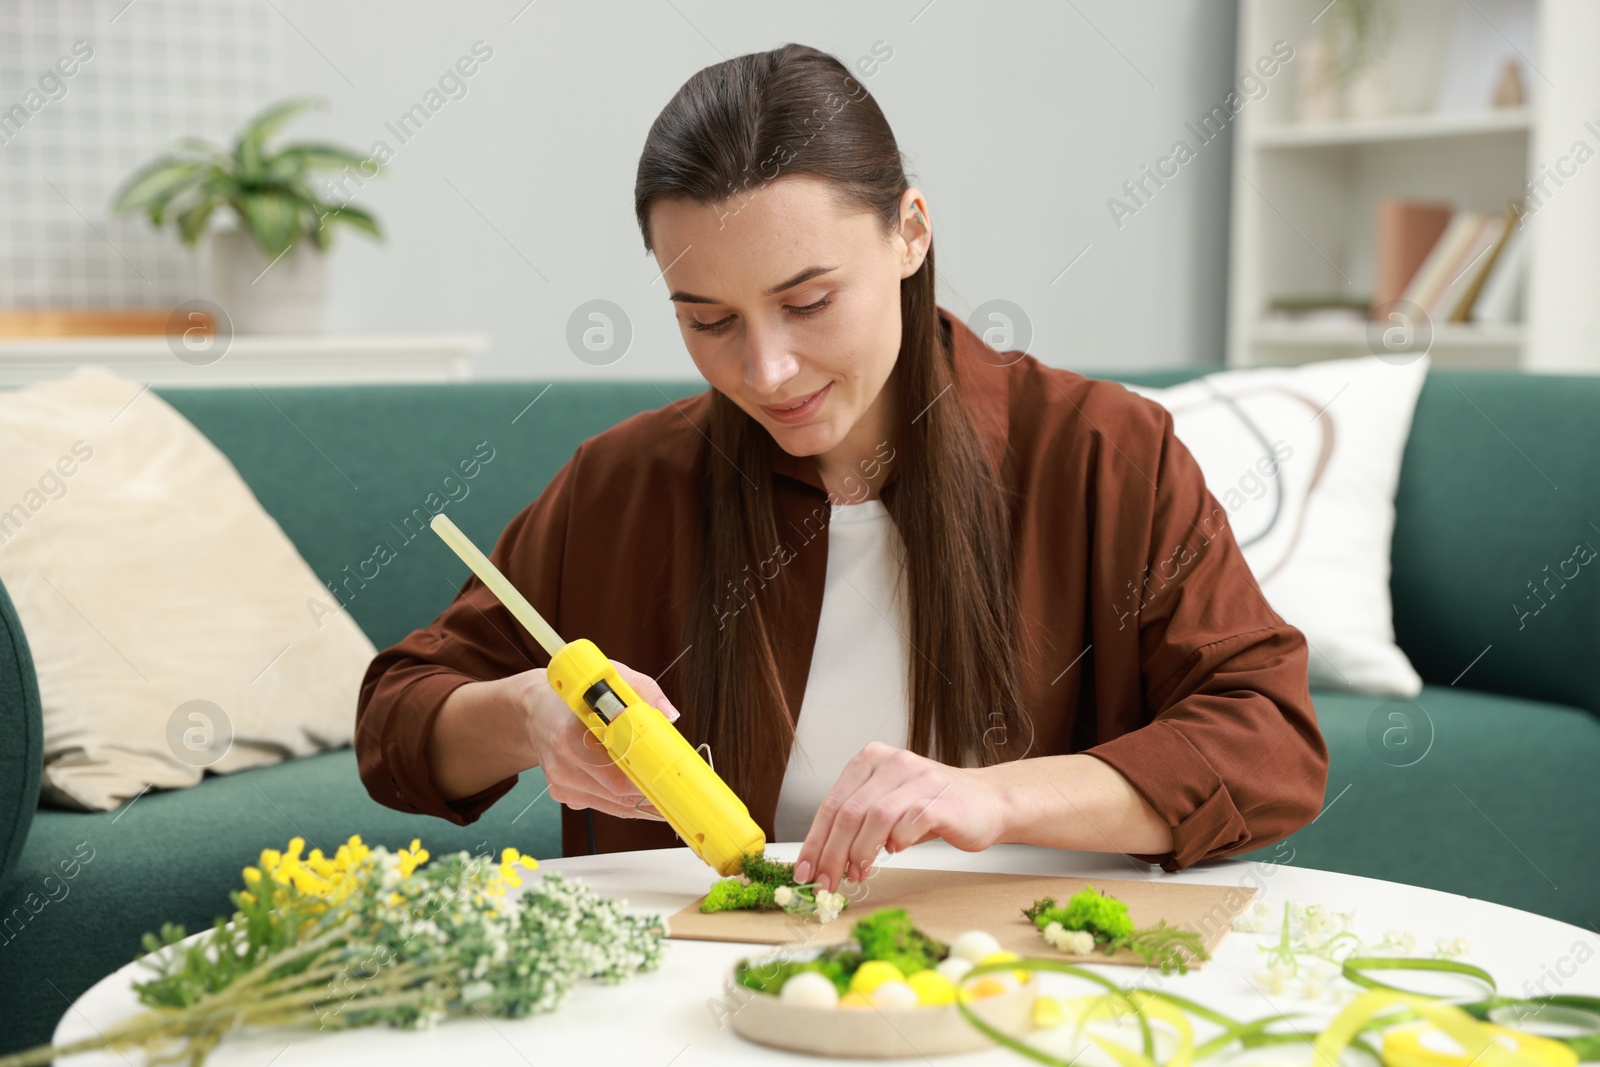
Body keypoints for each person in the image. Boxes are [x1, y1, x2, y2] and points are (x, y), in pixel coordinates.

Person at [356, 43, 1329, 894]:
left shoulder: (1103, 450)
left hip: (1022, 984)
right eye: (708, 319)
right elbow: (398, 719)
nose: (765, 370)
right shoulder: (621, 483)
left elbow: (1267, 740)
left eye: (810, 300)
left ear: (909, 231)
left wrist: (991, 798)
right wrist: (528, 715)